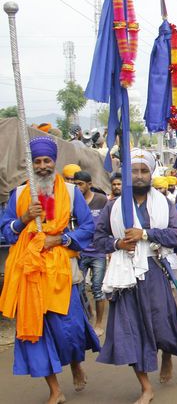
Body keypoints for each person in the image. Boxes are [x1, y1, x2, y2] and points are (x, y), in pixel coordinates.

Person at [0, 137, 100, 404]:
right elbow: (5, 231)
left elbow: (88, 228)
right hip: (29, 274)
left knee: (70, 331)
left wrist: (61, 239)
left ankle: (76, 362)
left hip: (62, 272)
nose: (42, 166)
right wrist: (24, 219)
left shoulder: (71, 192)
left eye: (47, 161)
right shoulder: (19, 194)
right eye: (37, 161)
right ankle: (55, 389)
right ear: (30, 165)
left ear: (54, 162)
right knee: (36, 334)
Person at [94, 148, 177, 404]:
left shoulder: (164, 204)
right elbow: (98, 238)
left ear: (151, 174)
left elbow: (176, 236)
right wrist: (117, 244)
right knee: (130, 331)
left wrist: (145, 234)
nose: (138, 176)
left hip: (154, 272)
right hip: (125, 277)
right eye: (134, 171)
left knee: (163, 325)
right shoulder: (113, 206)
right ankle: (146, 387)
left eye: (143, 171)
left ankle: (167, 354)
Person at [72, 170, 109, 337]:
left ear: (89, 184)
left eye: (80, 184)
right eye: (75, 184)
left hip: (98, 251)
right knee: (79, 289)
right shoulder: (73, 201)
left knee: (97, 288)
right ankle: (89, 315)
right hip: (80, 251)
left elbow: (108, 222)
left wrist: (109, 246)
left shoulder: (101, 200)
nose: (78, 187)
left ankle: (99, 324)